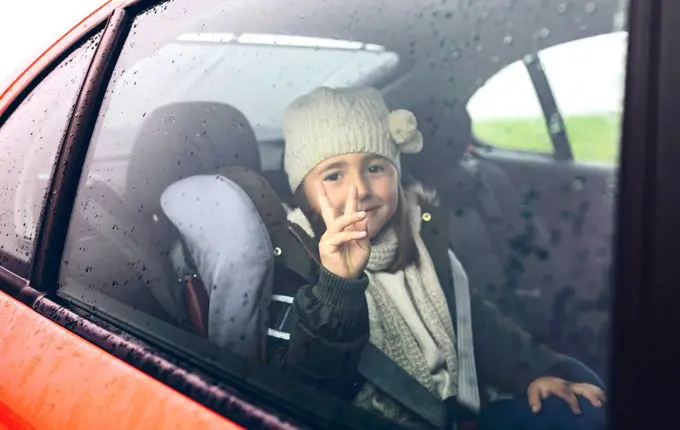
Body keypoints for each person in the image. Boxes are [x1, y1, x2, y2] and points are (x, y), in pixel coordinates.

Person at [267, 86, 606, 430]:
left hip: (457, 413)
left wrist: (536, 373)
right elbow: (308, 389)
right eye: (334, 175)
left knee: (585, 398)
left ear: (397, 173)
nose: (361, 190)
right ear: (303, 192)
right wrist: (338, 286)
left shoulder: (420, 233)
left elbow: (475, 323)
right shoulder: (297, 262)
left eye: (375, 168)